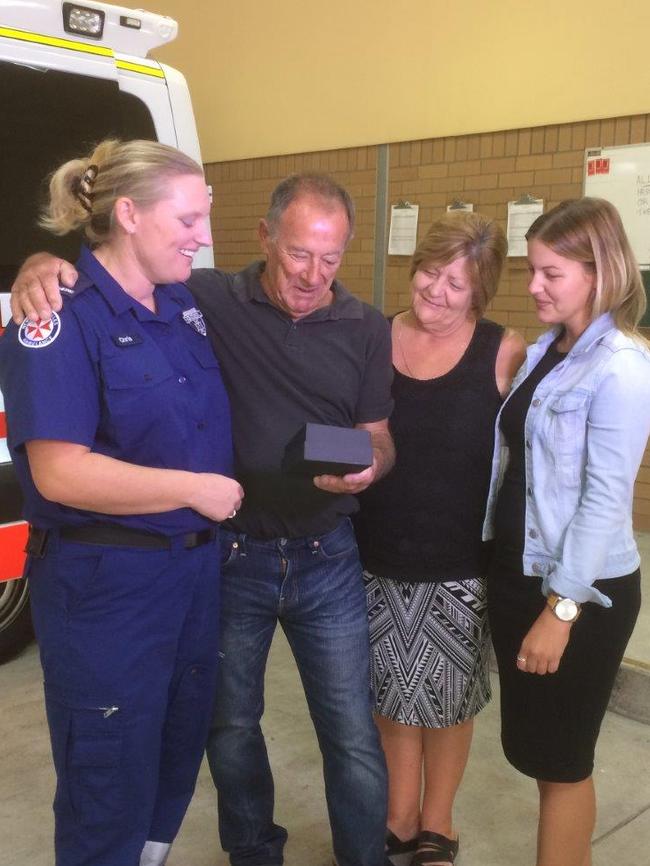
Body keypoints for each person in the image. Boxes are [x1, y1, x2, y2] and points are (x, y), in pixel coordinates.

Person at [10, 172, 395, 866]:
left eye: (331, 257)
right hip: (205, 560)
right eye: (299, 253)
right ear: (267, 239)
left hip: (284, 557)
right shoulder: (204, 296)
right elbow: (61, 462)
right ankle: (252, 854)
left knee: (320, 732)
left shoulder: (349, 325)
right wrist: (41, 265)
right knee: (211, 732)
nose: (314, 274)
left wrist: (370, 462)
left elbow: (379, 432)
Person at [0, 139, 243, 866]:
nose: (202, 235)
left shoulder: (183, 304)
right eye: (189, 218)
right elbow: (60, 473)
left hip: (192, 584)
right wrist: (193, 490)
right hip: (109, 594)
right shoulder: (56, 315)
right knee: (107, 784)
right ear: (129, 214)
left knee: (170, 768)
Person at [353, 213, 526, 866]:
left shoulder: (504, 350)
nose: (438, 290)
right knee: (391, 697)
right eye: (431, 271)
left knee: (449, 703)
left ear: (481, 292)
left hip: (462, 562)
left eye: (458, 282)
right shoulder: (372, 336)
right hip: (374, 553)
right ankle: (397, 817)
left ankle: (436, 823)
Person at [483, 197, 650, 866]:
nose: (534, 286)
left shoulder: (623, 366)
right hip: (521, 573)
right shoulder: (549, 351)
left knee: (564, 758)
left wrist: (562, 608)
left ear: (598, 271)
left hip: (577, 588)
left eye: (552, 273)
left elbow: (607, 498)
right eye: (532, 270)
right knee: (540, 754)